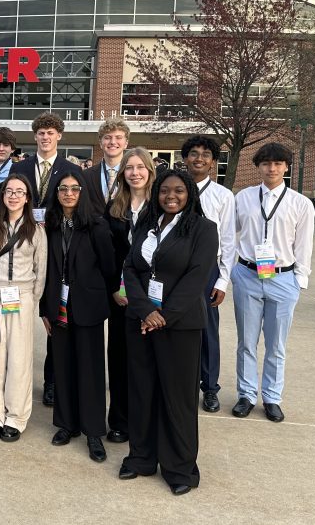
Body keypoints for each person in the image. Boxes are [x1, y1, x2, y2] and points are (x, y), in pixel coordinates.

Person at [119, 169, 218, 496]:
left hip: (180, 326)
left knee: (177, 398)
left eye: (178, 190)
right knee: (142, 391)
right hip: (142, 323)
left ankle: (180, 468)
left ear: (189, 193)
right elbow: (131, 268)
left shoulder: (204, 229)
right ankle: (142, 457)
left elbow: (197, 278)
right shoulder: (146, 224)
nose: (170, 196)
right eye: (164, 191)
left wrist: (164, 315)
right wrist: (145, 310)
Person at [232, 143, 314, 423]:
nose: (272, 168)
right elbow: (231, 235)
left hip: (282, 277)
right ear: (258, 166)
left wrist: (299, 280)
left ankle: (272, 397)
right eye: (266, 163)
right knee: (246, 341)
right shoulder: (243, 197)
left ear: (286, 167)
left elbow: (304, 245)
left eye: (278, 163)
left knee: (276, 344)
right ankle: (246, 394)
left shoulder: (300, 203)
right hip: (247, 275)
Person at [41, 166, 116, 459]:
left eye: (74, 189)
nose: (68, 194)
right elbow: (44, 270)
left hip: (88, 307)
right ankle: (66, 424)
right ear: (55, 193)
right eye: (63, 189)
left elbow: (110, 268)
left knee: (90, 370)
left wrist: (99, 296)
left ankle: (94, 432)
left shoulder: (96, 225)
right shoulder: (49, 225)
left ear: (82, 192)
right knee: (63, 366)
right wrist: (44, 309)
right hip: (57, 306)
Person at [12, 112, 79, 407]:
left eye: (51, 133)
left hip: (56, 246)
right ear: (35, 136)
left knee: (55, 316)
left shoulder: (69, 169)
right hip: (24, 246)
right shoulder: (22, 166)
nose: (46, 137)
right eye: (41, 133)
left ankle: (51, 382)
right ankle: (16, 379)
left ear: (59, 136)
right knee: (20, 313)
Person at [0, 174, 47, 442]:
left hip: (22, 296)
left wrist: (32, 298)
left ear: (27, 197)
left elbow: (41, 269)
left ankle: (16, 416)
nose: (14, 196)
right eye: (9, 191)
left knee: (19, 358)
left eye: (20, 191)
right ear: (3, 195)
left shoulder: (36, 230)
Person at [182, 135, 237, 413]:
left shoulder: (223, 196)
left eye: (205, 154)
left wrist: (222, 280)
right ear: (185, 158)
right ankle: (182, 383)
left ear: (213, 162)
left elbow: (228, 241)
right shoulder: (172, 189)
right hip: (176, 269)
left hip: (207, 269)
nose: (199, 158)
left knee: (207, 328)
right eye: (193, 153)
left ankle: (210, 386)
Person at [104, 147, 155, 443]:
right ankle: (120, 421)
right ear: (122, 173)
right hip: (119, 297)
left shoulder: (161, 206)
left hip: (150, 297)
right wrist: (113, 287)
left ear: (149, 170)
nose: (135, 173)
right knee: (120, 358)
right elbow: (107, 252)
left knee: (146, 361)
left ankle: (145, 420)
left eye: (140, 167)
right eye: (129, 168)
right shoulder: (114, 207)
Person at [81, 118, 130, 214]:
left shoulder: (133, 175)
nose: (112, 142)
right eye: (107, 137)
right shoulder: (86, 176)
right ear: (100, 143)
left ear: (126, 143)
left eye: (118, 137)